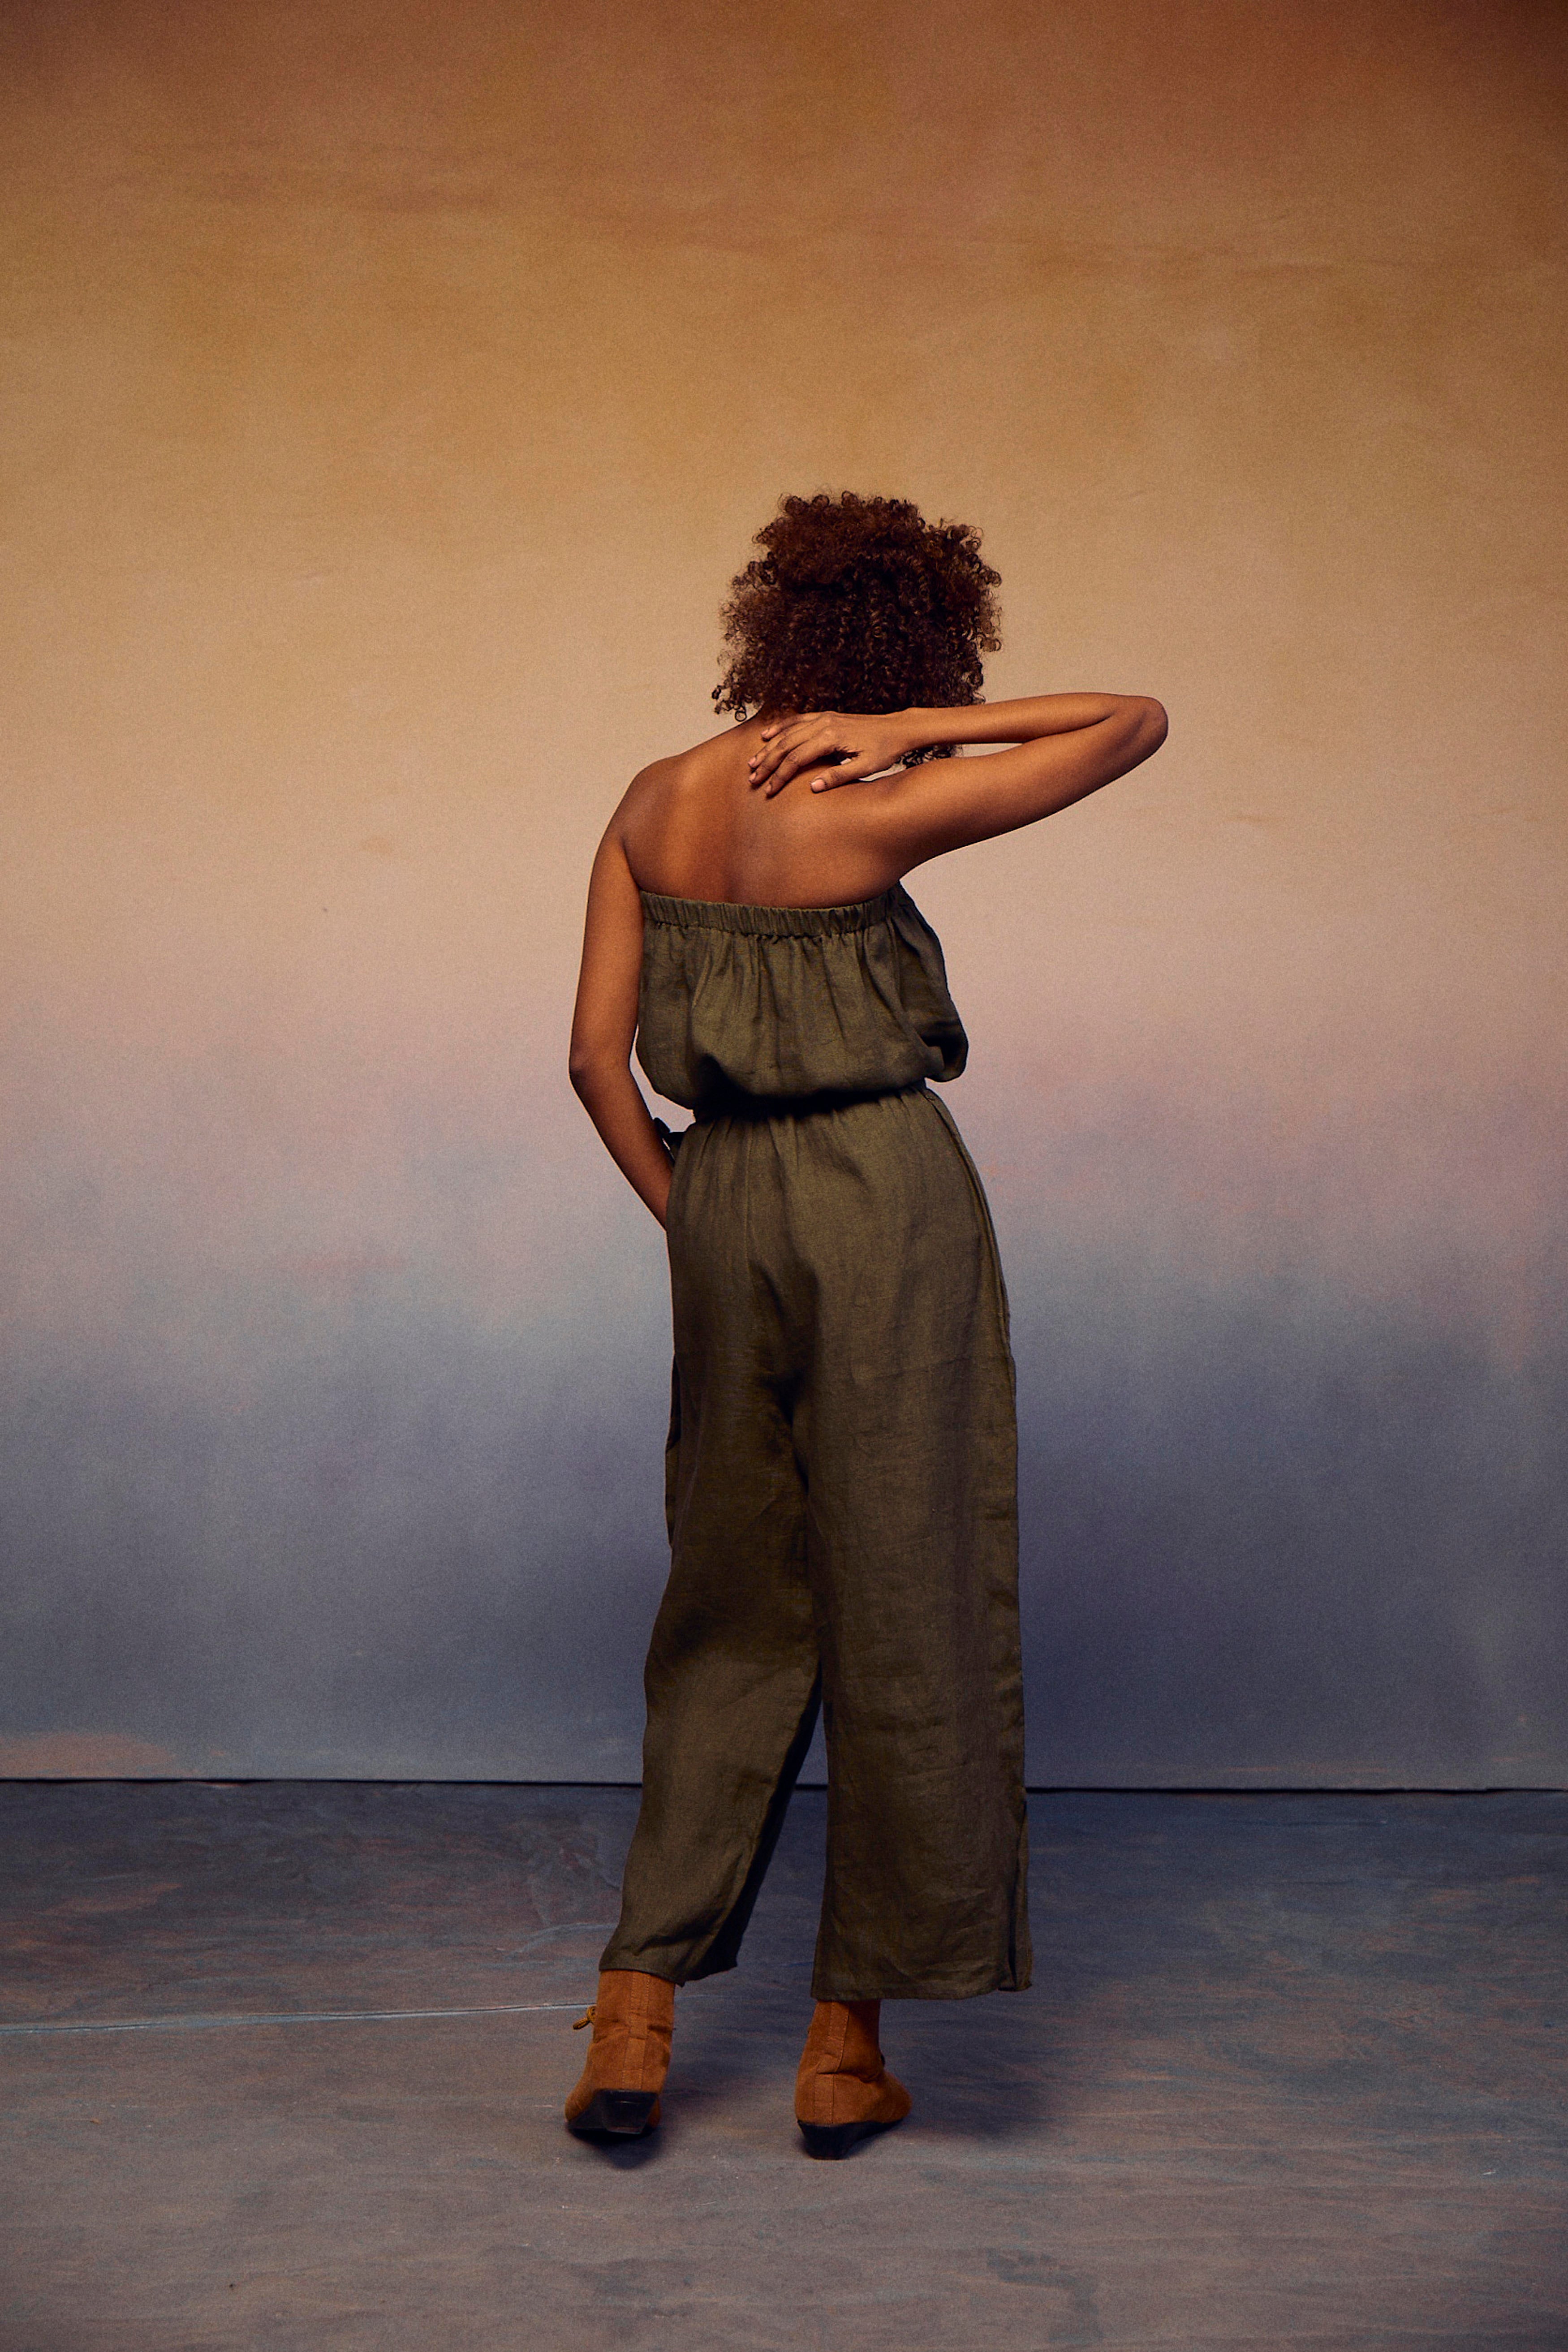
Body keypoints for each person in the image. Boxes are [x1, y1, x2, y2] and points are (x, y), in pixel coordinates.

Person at [566, 491, 1167, 2158]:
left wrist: (699, 1217)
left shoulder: (651, 799)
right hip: (883, 1200)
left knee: (728, 1601)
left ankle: (631, 2021)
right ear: (916, 643)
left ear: (765, 628)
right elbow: (1131, 720)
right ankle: (842, 2056)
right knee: (907, 1594)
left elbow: (591, 1061)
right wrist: (904, 732)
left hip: (722, 1201)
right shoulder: (875, 800)